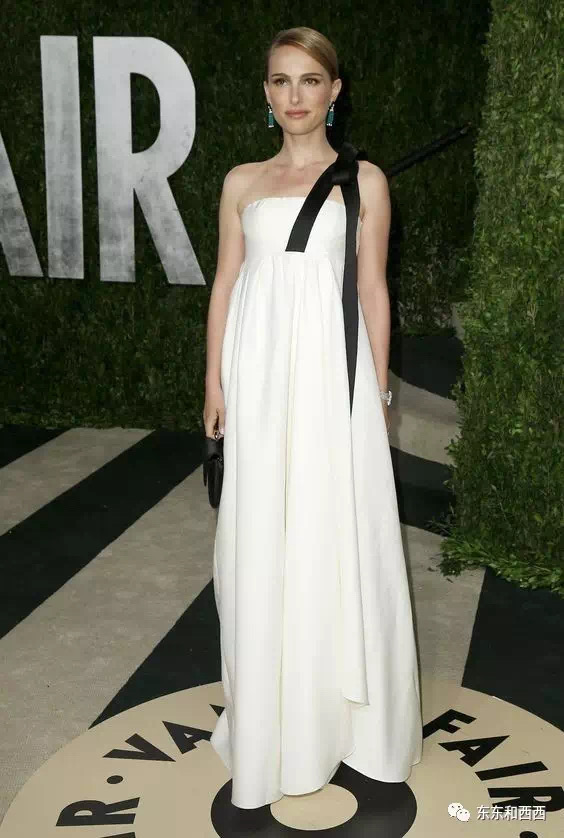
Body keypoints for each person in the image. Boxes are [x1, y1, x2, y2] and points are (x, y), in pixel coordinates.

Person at [203, 26, 423, 810]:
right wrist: (214, 383)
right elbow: (226, 282)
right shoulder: (241, 181)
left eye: (308, 80)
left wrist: (377, 392)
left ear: (335, 91)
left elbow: (373, 288)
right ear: (266, 94)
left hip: (335, 384)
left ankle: (346, 719)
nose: (293, 95)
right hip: (257, 381)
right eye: (279, 80)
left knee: (336, 530)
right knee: (259, 532)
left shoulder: (364, 181)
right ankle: (271, 715)